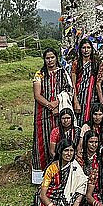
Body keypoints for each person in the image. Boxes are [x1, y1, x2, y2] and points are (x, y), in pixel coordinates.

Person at [6, 138, 87, 206]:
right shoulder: (52, 168)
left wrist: (76, 204)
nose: (69, 154)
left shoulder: (75, 166)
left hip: (67, 200)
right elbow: (43, 194)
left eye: (71, 151)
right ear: (60, 151)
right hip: (50, 199)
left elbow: (82, 185)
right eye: (66, 150)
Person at [32, 48, 73, 184]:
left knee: (59, 139)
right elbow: (37, 95)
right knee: (42, 141)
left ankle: (59, 172)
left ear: (56, 58)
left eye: (52, 57)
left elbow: (68, 90)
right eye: (47, 58)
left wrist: (57, 104)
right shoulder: (40, 74)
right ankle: (41, 176)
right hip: (42, 113)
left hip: (59, 112)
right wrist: (50, 105)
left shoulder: (63, 73)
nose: (50, 60)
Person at [71, 37, 98, 125]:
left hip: (92, 97)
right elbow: (73, 84)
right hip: (79, 97)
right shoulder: (76, 63)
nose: (86, 50)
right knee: (78, 122)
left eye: (88, 47)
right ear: (80, 49)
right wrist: (75, 101)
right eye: (83, 47)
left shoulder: (95, 63)